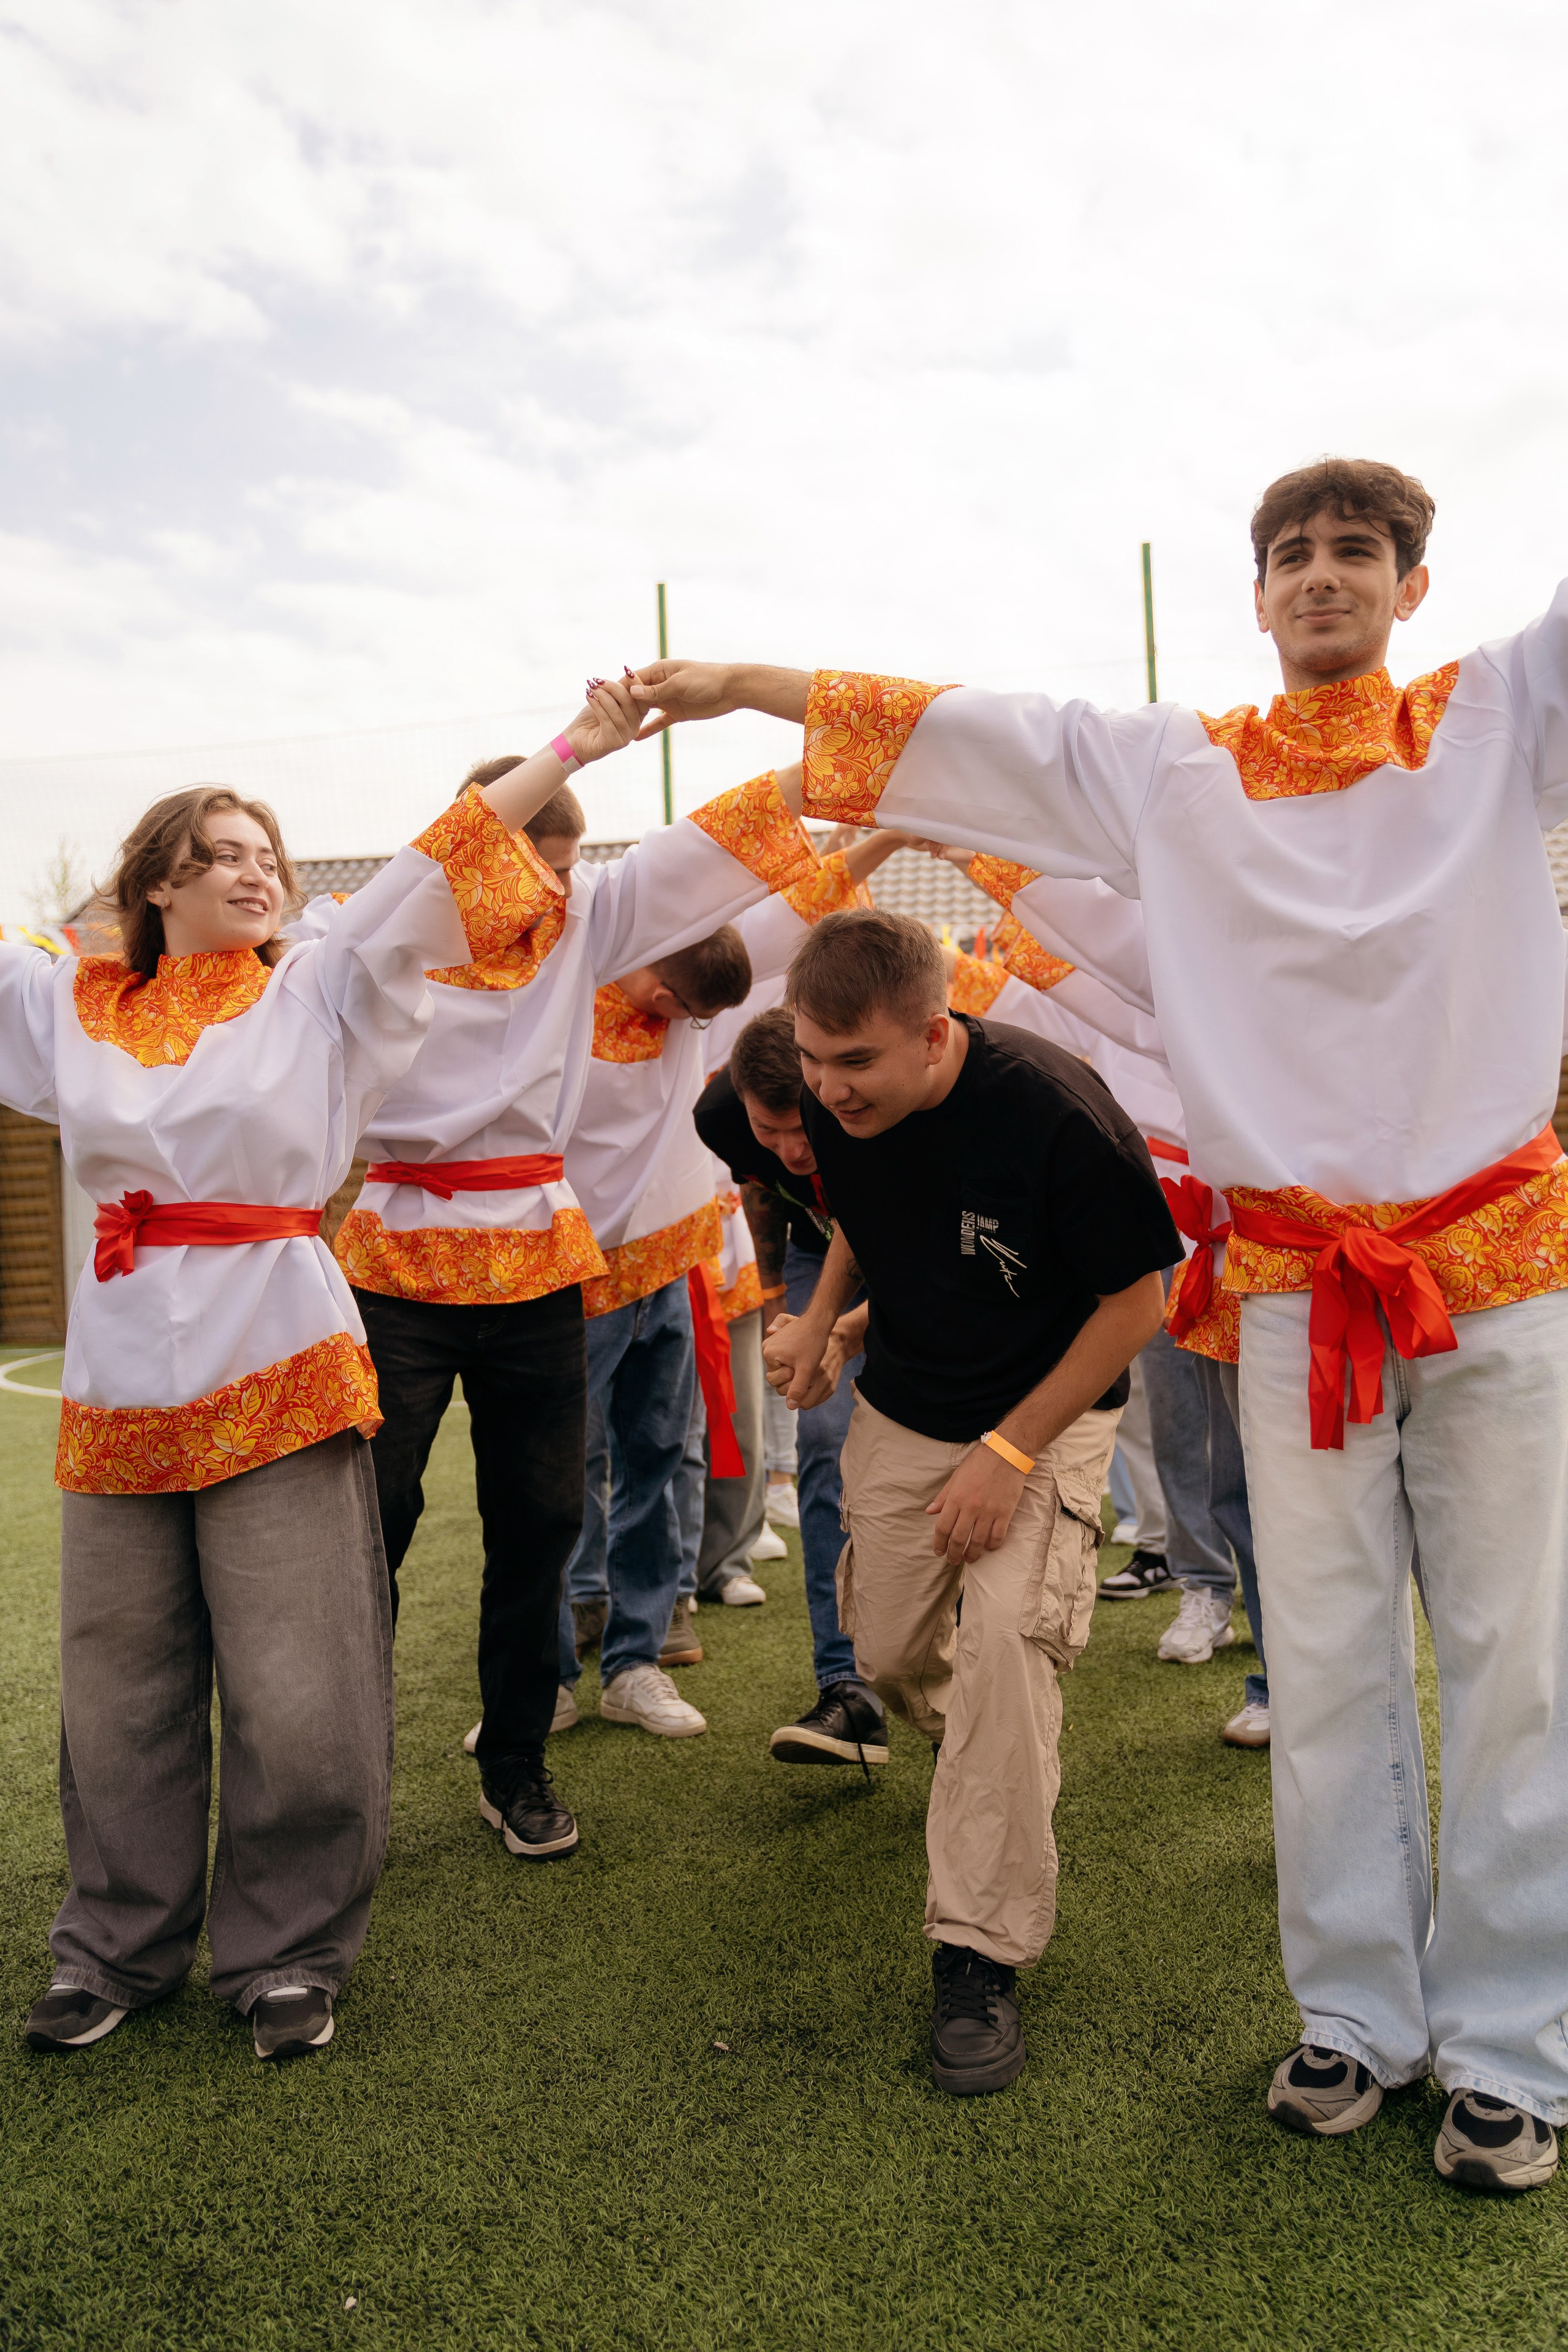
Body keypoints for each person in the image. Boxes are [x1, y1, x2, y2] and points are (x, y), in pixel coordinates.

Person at [634, 457, 1568, 2188]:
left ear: (1412, 586)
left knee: (1520, 1661)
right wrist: (734, 682)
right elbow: (957, 725)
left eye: (1355, 551)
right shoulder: (1175, 768)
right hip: (1291, 1287)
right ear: (1259, 592)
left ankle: (1515, 2049)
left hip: (1493, 1270)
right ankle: (1354, 2017)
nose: (1319, 575)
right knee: (1339, 1658)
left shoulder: (1500, 712)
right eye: (1289, 553)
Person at [2, 681, 639, 2059]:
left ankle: (287, 1951)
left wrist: (573, 749)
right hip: (120, 1380)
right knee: (119, 1679)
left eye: (266, 854)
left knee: (301, 1677)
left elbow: (427, 866)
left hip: (280, 1352)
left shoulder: (322, 983)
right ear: (159, 879)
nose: (257, 871)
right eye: (223, 851)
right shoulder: (74, 1000)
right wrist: (60, 930)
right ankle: (113, 1947)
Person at [332, 754, 817, 1861]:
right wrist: (563, 747)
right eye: (523, 864)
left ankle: (518, 1763)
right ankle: (336, 1776)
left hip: (543, 1260)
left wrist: (833, 762)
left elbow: (710, 850)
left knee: (541, 1520)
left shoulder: (590, 923)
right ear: (470, 849)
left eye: (559, 868)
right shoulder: (376, 930)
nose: (546, 892)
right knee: (373, 1517)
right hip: (400, 1255)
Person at [758, 909, 1176, 2093]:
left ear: (935, 1034)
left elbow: (1135, 1307)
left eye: (856, 1065)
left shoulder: (1060, 1115)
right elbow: (867, 1225)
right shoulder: (839, 1102)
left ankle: (976, 1954)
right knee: (887, 1655)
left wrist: (1008, 1450)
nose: (830, 1092)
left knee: (1005, 1647)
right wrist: (834, 1324)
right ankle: (991, 1758)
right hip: (906, 1409)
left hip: (1046, 1420)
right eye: (813, 1060)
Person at [946, 864, 1270, 1744]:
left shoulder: (1245, 970)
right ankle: (1201, 1585)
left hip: (1265, 1233)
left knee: (1263, 1459)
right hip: (1159, 1230)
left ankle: (1282, 1667)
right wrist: (948, 844)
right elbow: (986, 996)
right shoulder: (1101, 986)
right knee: (1179, 1425)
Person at [696, 1006, 885, 1767]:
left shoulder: (876, 1104)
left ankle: (964, 1665)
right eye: (767, 1129)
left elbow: (918, 1246)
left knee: (937, 1447)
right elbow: (773, 1196)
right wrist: (785, 1306)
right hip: (821, 1256)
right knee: (823, 1440)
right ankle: (846, 1688)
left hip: (929, 1255)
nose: (789, 1147)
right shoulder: (721, 1115)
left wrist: (843, 1327)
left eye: (801, 1126)